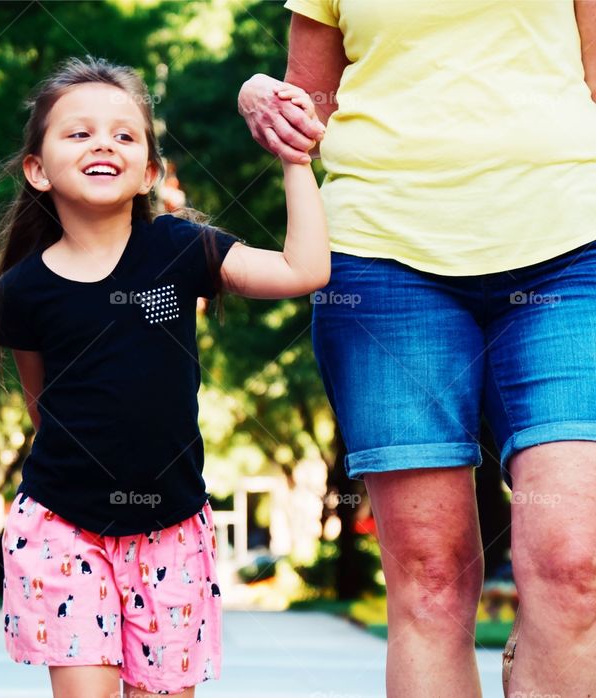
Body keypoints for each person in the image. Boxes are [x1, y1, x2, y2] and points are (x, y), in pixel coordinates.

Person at [0, 56, 328, 698]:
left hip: (172, 530)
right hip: (63, 526)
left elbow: (303, 271)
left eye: (123, 134)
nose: (103, 144)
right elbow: (43, 408)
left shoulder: (180, 249)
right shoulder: (23, 290)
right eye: (78, 133)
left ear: (148, 173)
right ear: (37, 169)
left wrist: (295, 161)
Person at [238, 2, 596, 696]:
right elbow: (310, 103)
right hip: (384, 262)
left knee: (574, 565)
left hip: (569, 250)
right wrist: (262, 96)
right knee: (430, 581)